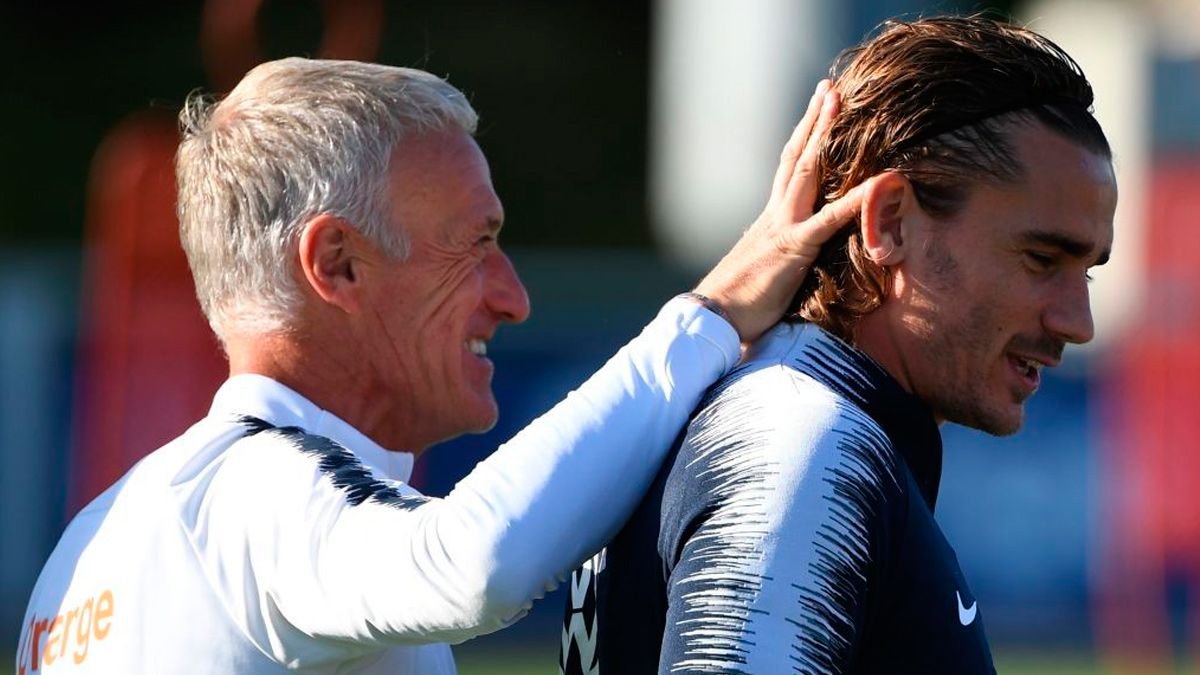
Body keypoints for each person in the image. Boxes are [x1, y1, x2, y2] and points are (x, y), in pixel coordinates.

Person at [16, 58, 865, 674]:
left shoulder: (86, 549)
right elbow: (473, 564)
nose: (513, 298)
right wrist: (711, 316)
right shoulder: (251, 495)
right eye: (475, 244)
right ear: (338, 265)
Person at [560, 15, 1116, 674]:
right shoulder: (801, 446)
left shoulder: (784, 420)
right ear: (890, 222)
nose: (1078, 321)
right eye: (1041, 259)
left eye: (1087, 272)